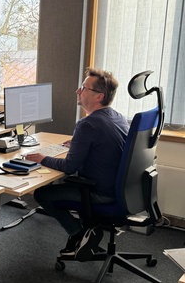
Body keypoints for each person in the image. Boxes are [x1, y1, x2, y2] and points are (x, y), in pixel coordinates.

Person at [25, 68, 129, 259]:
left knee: (42, 194)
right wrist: (80, 143)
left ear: (99, 96)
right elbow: (105, 143)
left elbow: (69, 167)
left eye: (83, 88)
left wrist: (42, 158)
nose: (77, 91)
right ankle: (86, 232)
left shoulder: (87, 124)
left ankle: (79, 234)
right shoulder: (117, 117)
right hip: (120, 190)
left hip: (100, 193)